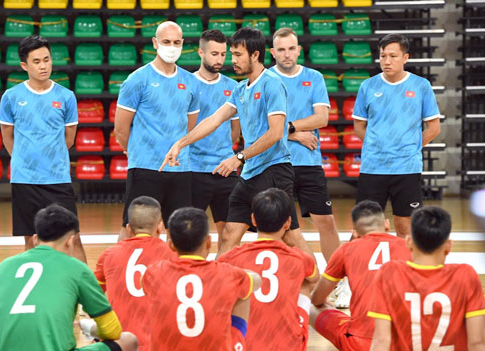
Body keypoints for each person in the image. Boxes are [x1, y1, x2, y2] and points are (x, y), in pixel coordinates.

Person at [161, 27, 313, 258]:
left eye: (237, 55)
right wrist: (181, 143)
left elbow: (275, 133)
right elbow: (213, 120)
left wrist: (239, 157)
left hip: (274, 171)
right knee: (230, 232)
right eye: (231, 54)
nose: (233, 60)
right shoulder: (240, 88)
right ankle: (219, 286)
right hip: (250, 174)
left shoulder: (272, 83)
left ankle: (323, 285)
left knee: (290, 235)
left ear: (255, 55)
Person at [0, 204, 137, 351]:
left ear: (35, 239)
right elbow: (112, 330)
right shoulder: (77, 268)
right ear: (70, 241)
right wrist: (90, 329)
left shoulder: (3, 266)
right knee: (128, 340)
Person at [0, 35, 86, 261]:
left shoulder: (66, 97)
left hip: (58, 179)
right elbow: (8, 137)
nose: (43, 65)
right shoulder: (11, 97)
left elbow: (69, 139)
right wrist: (24, 160)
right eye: (36, 61)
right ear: (24, 66)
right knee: (31, 238)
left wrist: (51, 157)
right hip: (25, 180)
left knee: (73, 237)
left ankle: (86, 288)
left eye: (46, 59)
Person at [114, 21, 200, 241]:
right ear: (155, 43)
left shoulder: (191, 82)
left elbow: (190, 128)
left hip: (180, 169)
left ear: (183, 44)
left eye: (176, 42)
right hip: (145, 167)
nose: (171, 47)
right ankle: (118, 274)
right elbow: (121, 129)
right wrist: (133, 150)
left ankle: (175, 275)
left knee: (180, 232)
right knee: (131, 227)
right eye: (166, 42)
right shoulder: (137, 80)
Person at [353, 33, 441, 238]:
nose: (387, 61)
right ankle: (360, 270)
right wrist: (377, 146)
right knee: (364, 227)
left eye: (393, 56)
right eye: (383, 56)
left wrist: (411, 149)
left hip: (407, 169)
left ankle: (407, 270)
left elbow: (434, 128)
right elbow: (359, 126)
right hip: (373, 167)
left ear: (405, 57)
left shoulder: (421, 86)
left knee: (405, 226)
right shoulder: (367, 86)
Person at [141, 207, 262, 351]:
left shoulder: (153, 273)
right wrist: (236, 272)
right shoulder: (228, 274)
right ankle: (236, 344)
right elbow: (257, 280)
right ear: (208, 243)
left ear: (170, 245)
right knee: (243, 290)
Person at [369, 206, 485, 350]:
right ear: (448, 245)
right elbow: (477, 343)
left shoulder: (389, 273)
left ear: (409, 242)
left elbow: (381, 340)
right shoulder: (466, 274)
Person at [269, 27, 340, 263]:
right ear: (273, 52)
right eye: (281, 50)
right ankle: (291, 279)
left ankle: (336, 279)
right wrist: (295, 134)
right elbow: (258, 125)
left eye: (291, 49)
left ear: (299, 50)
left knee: (327, 222)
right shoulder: (266, 79)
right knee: (280, 228)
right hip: (276, 162)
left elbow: (322, 118)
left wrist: (286, 127)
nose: (287, 54)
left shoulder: (314, 77)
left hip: (309, 162)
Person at [218, 188, 318, 351]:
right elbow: (315, 278)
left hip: (244, 344)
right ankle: (293, 329)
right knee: (305, 283)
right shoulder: (300, 258)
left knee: (231, 286)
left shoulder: (231, 257)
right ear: (287, 223)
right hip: (289, 345)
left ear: (253, 220)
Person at [309, 200, 411, 350]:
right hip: (403, 341)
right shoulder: (409, 247)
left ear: (355, 232)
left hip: (359, 341)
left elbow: (317, 298)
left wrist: (325, 304)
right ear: (387, 224)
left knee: (311, 307)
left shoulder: (347, 249)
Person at [93, 196, 175, 351]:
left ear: (129, 229)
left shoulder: (109, 254)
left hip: (118, 343)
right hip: (158, 344)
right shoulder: (173, 254)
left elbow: (94, 296)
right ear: (160, 226)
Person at [190, 29, 241, 236]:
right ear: (200, 53)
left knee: (229, 232)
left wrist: (221, 149)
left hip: (225, 169)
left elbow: (235, 130)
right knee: (190, 231)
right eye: (214, 54)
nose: (219, 59)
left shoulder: (233, 86)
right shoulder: (187, 84)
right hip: (193, 169)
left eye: (223, 54)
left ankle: (224, 269)